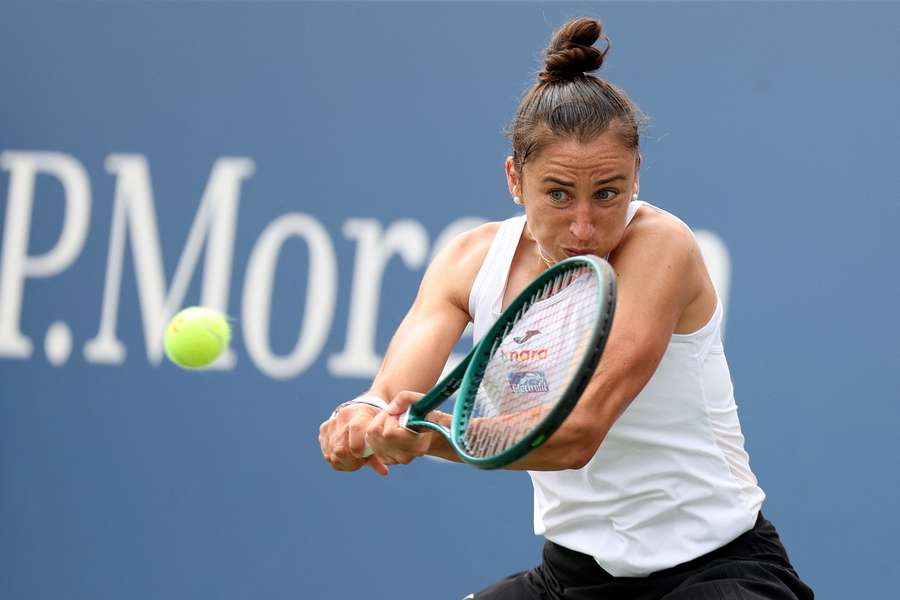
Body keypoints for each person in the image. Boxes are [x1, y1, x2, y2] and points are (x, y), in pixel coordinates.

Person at [318, 17, 814, 600]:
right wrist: (361, 424)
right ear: (514, 179)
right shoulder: (469, 260)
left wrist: (427, 438)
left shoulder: (662, 247)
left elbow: (576, 434)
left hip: (717, 573)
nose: (583, 226)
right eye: (557, 194)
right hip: (571, 579)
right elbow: (389, 393)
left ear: (636, 178)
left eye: (608, 193)